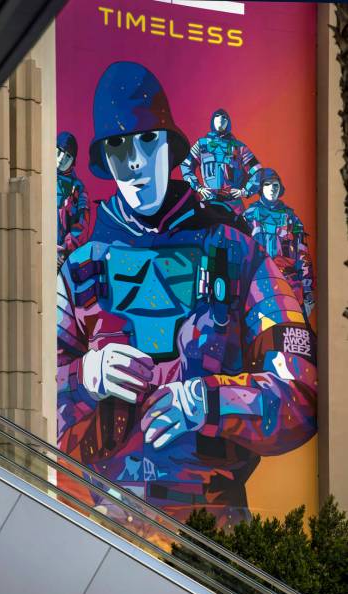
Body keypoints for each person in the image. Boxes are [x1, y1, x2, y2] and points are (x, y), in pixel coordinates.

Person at [57, 61, 317, 529]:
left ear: (170, 146)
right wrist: (84, 378)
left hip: (217, 531)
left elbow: (299, 389)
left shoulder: (237, 254)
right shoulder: (79, 271)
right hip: (103, 527)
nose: (134, 161)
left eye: (146, 141)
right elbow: (20, 403)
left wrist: (205, 402)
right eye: (117, 147)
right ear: (104, 159)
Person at [243, 168, 315, 319]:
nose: (272, 188)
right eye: (267, 184)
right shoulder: (249, 216)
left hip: (288, 283)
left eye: (275, 184)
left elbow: (303, 254)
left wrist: (308, 289)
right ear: (260, 188)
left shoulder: (291, 218)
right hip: (257, 283)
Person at [180, 108, 261, 216]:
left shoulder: (239, 147)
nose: (221, 119)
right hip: (209, 203)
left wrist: (244, 191)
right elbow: (185, 164)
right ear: (212, 120)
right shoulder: (202, 144)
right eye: (218, 116)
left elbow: (257, 170)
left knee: (240, 231)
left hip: (233, 205)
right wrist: (198, 188)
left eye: (224, 117)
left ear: (228, 122)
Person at [57, 131, 91, 270]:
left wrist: (64, 250)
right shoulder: (38, 179)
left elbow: (82, 225)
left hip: (62, 260)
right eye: (58, 151)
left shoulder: (77, 188)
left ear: (73, 161)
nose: (61, 158)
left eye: (68, 156)